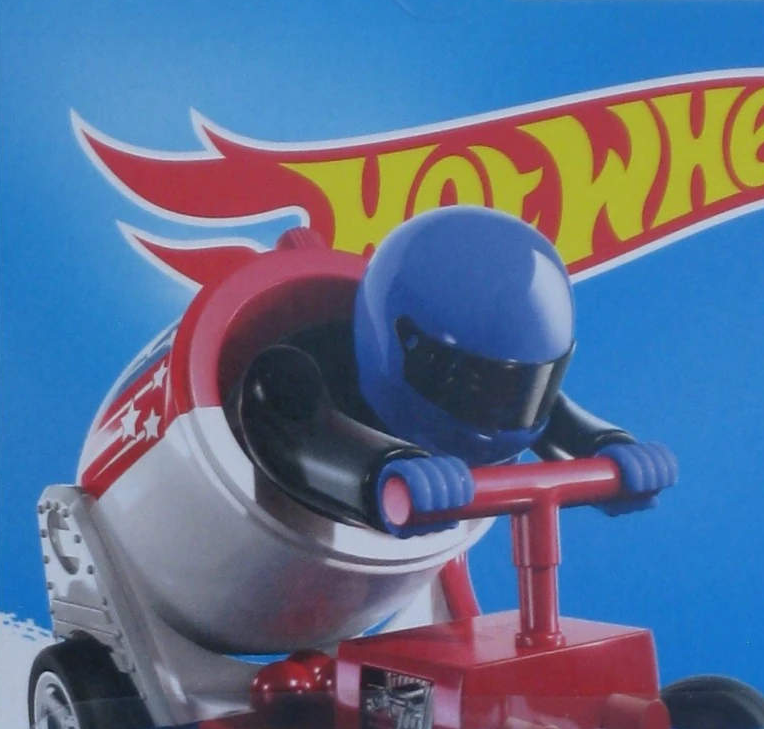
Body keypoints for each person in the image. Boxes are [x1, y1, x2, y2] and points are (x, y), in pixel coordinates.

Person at [236, 205, 676, 536]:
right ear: (408, 346)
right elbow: (293, 435)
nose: (501, 408)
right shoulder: (285, 377)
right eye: (479, 383)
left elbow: (548, 413)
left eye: (524, 386)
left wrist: (605, 445)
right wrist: (380, 471)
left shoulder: (504, 399)